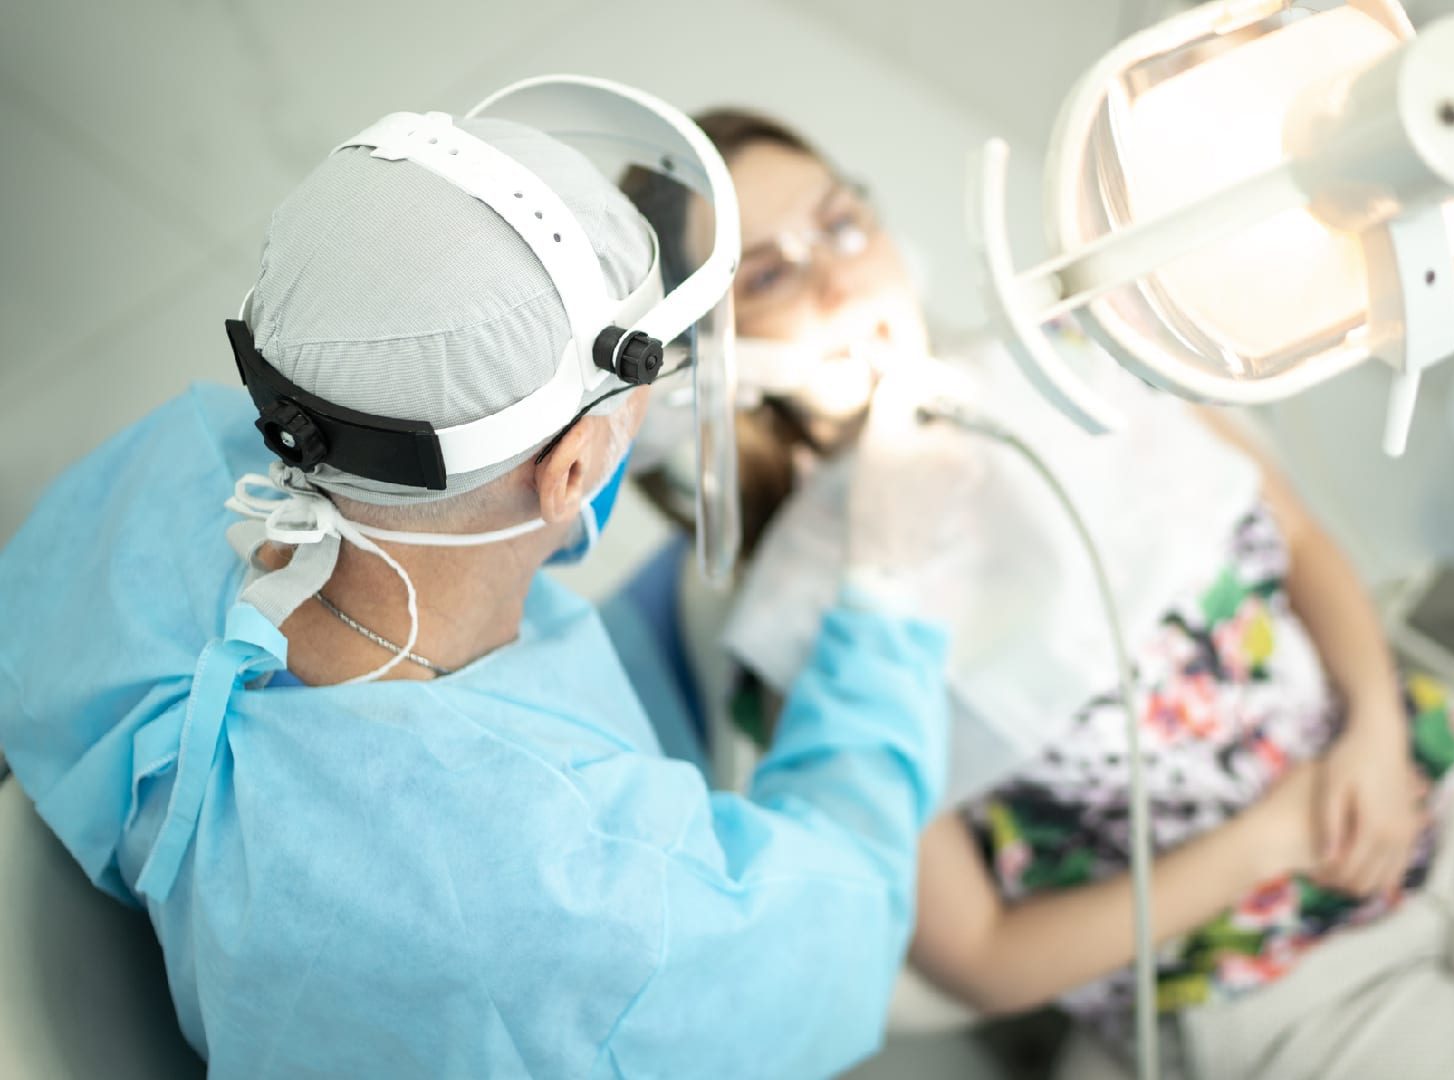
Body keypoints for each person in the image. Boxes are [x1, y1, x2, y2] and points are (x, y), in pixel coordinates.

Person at [615, 108, 1454, 1080]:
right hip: (1264, 989)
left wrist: (1374, 725)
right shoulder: (804, 646)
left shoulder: (1078, 365)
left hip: (1436, 795)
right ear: (703, 362)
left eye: (841, 222)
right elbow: (977, 958)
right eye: (767, 275)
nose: (838, 278)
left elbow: (1297, 537)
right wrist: (1277, 835)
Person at [0, 89, 955, 1079]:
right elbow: (851, 928)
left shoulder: (164, 475)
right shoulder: (575, 904)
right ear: (574, 471)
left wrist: (616, 424)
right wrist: (883, 587)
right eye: (640, 391)